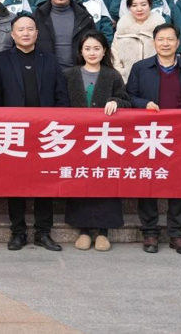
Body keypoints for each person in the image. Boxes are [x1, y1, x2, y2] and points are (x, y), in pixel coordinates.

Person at [0, 14, 69, 251]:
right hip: (13, 132)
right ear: (12, 34)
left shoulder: (50, 60)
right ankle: (18, 231)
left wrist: (59, 123)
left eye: (30, 29)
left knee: (45, 182)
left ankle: (43, 232)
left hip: (45, 133)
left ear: (37, 33)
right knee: (15, 183)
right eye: (20, 29)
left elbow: (61, 95)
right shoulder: (0, 60)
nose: (25, 33)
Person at [126, 23, 181, 256]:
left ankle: (178, 234)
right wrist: (144, 104)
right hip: (149, 135)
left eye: (170, 39)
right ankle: (150, 232)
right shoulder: (141, 68)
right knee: (148, 180)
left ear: (178, 43)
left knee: (179, 183)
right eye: (161, 39)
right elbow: (129, 96)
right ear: (154, 42)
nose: (166, 43)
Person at [62, 31, 131, 251]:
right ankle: (83, 229)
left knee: (105, 181)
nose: (92, 53)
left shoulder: (112, 75)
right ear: (80, 52)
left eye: (96, 48)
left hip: (105, 140)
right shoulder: (69, 75)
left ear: (104, 52)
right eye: (87, 48)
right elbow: (59, 103)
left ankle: (103, 231)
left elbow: (126, 101)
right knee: (80, 180)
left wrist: (116, 101)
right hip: (76, 138)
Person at [32, 0, 96, 70]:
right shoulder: (37, 16)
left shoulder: (84, 16)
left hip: (78, 72)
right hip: (47, 72)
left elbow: (94, 43)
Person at [112, 0, 167, 80]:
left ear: (150, 6)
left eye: (143, 4)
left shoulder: (161, 28)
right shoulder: (122, 29)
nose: (139, 9)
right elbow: (115, 56)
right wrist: (122, 75)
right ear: (129, 8)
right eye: (134, 5)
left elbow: (166, 55)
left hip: (155, 80)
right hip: (127, 80)